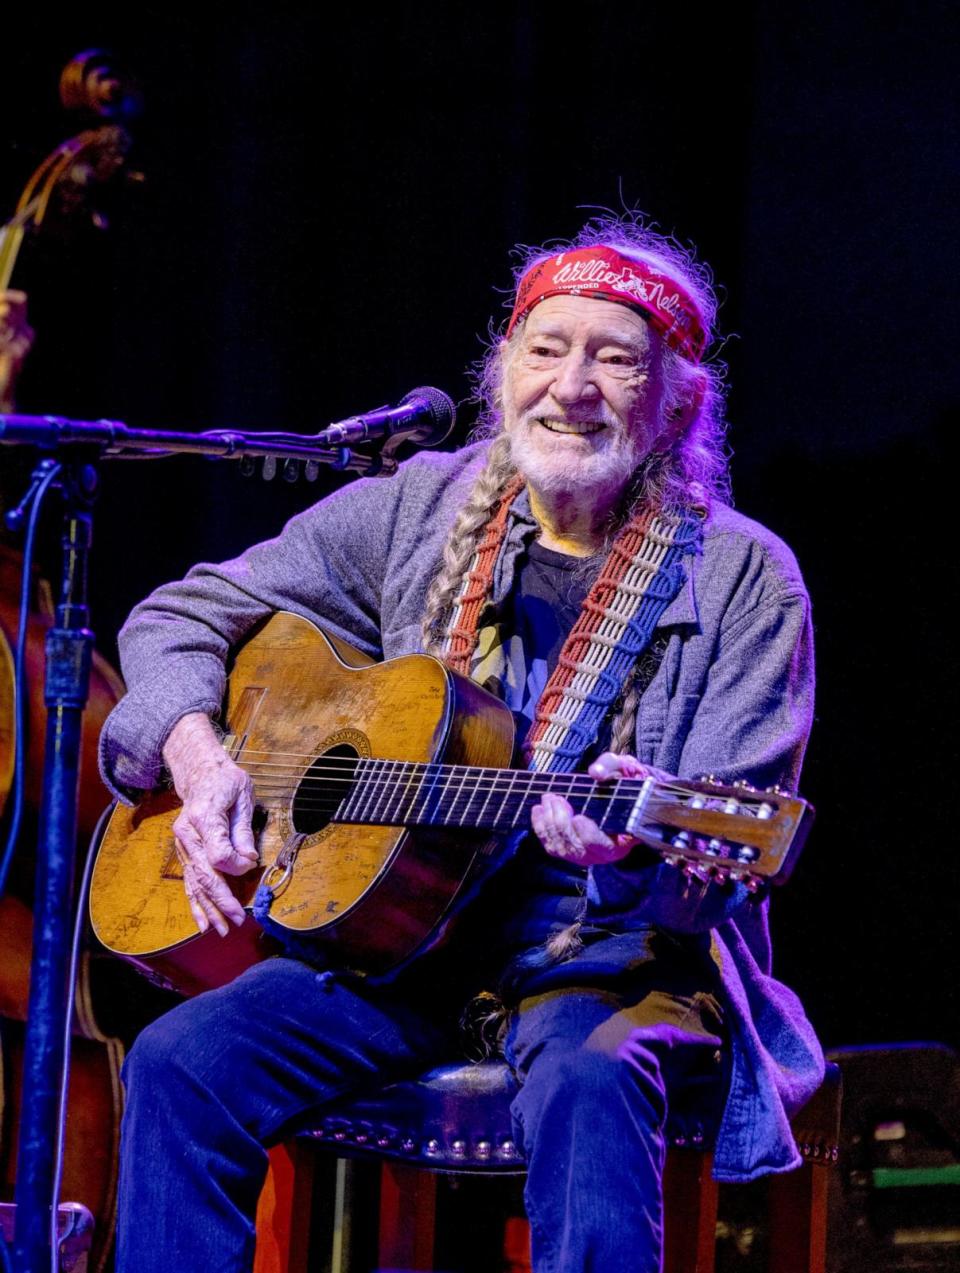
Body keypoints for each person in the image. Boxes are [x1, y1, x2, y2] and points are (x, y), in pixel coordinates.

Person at [99, 214, 824, 1273]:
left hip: (608, 962)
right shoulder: (420, 506)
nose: (572, 384)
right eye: (546, 348)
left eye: (616, 359)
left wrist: (626, 856)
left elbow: (715, 880)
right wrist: (202, 757)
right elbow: (178, 614)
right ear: (503, 369)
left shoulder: (747, 581)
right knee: (180, 1059)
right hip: (402, 949)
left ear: (678, 399)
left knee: (590, 1080)